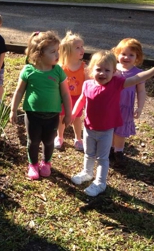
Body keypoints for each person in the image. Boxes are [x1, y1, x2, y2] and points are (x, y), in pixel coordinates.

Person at [71, 51, 154, 197]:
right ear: (91, 70)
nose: (102, 73)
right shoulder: (87, 84)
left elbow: (137, 78)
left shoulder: (116, 84)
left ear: (114, 72)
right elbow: (81, 100)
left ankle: (100, 183)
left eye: (107, 70)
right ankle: (87, 173)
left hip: (106, 130)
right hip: (89, 128)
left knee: (102, 158)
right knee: (88, 153)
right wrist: (73, 114)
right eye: (98, 69)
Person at [10, 31, 72, 180]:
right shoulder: (28, 70)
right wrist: (13, 110)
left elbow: (65, 94)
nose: (57, 54)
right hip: (32, 115)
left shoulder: (58, 71)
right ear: (39, 53)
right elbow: (19, 92)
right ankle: (33, 164)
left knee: (49, 141)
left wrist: (69, 113)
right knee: (33, 141)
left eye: (58, 51)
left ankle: (46, 162)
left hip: (52, 116)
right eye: (53, 51)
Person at [111, 38, 146, 167]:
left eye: (131, 55)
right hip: (111, 106)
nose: (126, 57)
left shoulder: (138, 73)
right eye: (123, 54)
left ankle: (118, 152)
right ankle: (110, 149)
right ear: (117, 54)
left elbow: (141, 92)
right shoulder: (112, 69)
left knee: (120, 131)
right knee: (109, 128)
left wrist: (140, 108)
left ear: (137, 57)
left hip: (126, 108)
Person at [54, 31, 87, 151]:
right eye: (77, 47)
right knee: (61, 117)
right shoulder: (61, 68)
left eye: (82, 46)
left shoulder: (84, 67)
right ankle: (59, 137)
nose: (82, 49)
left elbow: (88, 84)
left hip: (78, 98)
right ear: (68, 51)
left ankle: (78, 139)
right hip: (63, 97)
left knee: (77, 118)